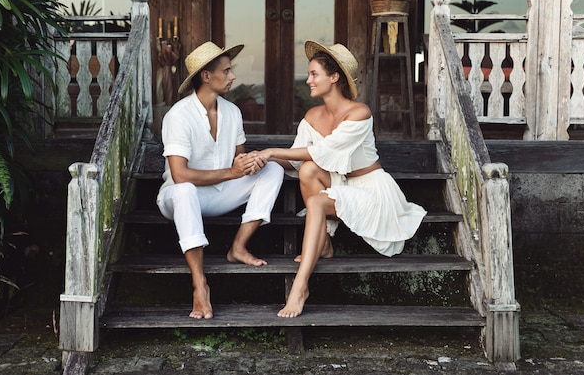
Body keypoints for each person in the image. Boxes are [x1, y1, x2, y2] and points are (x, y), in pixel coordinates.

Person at [254, 41, 427, 318]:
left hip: (372, 189)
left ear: (334, 77)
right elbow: (298, 160)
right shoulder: (312, 116)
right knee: (308, 169)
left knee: (317, 203)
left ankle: (300, 287)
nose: (308, 80)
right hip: (340, 184)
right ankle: (324, 244)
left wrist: (272, 149)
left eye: (314, 74)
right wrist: (260, 158)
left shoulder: (359, 113)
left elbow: (325, 150)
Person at [156, 41, 284, 319]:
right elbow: (180, 175)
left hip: (220, 193)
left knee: (273, 170)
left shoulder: (232, 112)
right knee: (184, 190)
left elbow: (239, 162)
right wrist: (232, 172)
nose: (233, 76)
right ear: (206, 76)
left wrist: (253, 162)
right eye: (226, 71)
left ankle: (238, 246)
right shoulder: (178, 115)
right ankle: (200, 284)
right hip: (180, 199)